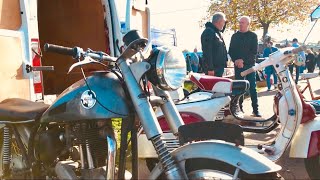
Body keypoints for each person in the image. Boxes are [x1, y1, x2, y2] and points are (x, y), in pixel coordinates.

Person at [229, 16, 261, 117]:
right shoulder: (235, 36)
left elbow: (254, 52)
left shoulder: (253, 36)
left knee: (252, 88)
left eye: (243, 22)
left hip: (250, 65)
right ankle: (239, 108)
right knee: (239, 88)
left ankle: (255, 110)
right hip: (238, 66)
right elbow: (231, 51)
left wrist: (242, 60)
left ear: (248, 24)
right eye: (240, 22)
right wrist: (236, 60)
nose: (240, 24)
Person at [201, 12, 228, 77]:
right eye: (223, 22)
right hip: (213, 70)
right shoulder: (209, 32)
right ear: (219, 21)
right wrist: (210, 68)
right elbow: (207, 51)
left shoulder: (217, 33)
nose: (224, 24)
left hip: (219, 68)